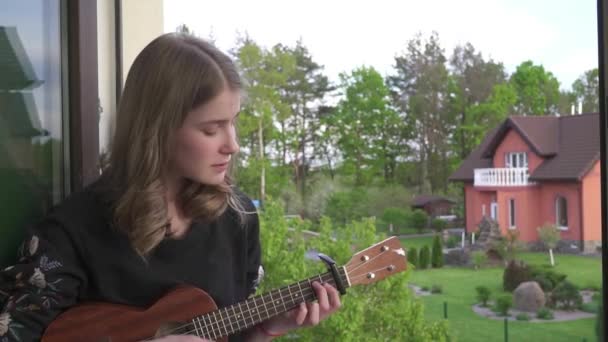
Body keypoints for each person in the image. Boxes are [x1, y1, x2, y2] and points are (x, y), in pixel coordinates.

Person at [0, 33, 341, 342]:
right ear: (157, 131)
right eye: (212, 129)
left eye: (233, 123)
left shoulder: (238, 217)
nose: (232, 144)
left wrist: (264, 329)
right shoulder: (72, 230)